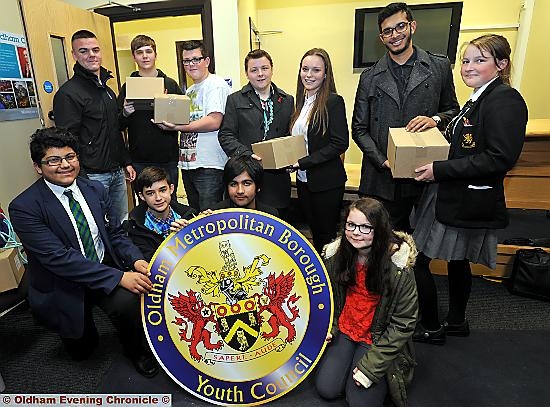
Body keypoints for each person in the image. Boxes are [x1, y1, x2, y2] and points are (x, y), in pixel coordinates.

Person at [8, 127, 158, 378]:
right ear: (38, 167)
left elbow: (115, 234)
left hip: (101, 262)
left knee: (130, 303)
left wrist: (136, 259)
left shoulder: (95, 190)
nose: (64, 165)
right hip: (62, 281)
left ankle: (137, 352)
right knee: (83, 351)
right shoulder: (24, 207)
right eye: (53, 160)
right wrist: (120, 277)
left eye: (70, 157)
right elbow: (59, 259)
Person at [412, 34, 528, 344]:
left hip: (464, 196)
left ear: (501, 65)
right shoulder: (479, 97)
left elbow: (499, 157)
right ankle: (456, 321)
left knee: (417, 260)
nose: (469, 67)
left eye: (480, 60)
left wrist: (440, 169)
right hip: (454, 193)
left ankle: (432, 326)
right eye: (466, 61)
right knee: (458, 260)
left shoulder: (505, 100)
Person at [352, 2, 459, 232]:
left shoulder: (439, 67)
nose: (395, 35)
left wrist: (435, 120)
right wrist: (383, 161)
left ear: (412, 26)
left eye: (400, 26)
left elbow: (453, 112)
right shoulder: (369, 77)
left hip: (425, 175)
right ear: (381, 38)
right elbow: (359, 129)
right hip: (381, 179)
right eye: (387, 31)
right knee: (380, 244)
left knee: (419, 248)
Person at [315, 198, 418, 407]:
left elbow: (403, 323)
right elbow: (328, 300)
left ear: (379, 229)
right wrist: (331, 327)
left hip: (377, 336)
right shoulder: (335, 256)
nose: (356, 232)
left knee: (361, 403)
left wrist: (371, 367)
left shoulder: (399, 266)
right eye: (351, 225)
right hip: (346, 327)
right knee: (327, 388)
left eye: (365, 227)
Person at [53, 30, 134, 227]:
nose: (91, 55)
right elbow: (67, 141)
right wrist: (80, 176)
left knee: (121, 223)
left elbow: (114, 130)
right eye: (84, 51)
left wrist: (126, 162)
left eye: (95, 50)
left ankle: (123, 259)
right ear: (74, 55)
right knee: (100, 226)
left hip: (116, 172)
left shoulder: (107, 89)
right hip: (92, 175)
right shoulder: (68, 94)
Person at [156, 40, 231, 211]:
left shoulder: (215, 85)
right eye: (186, 61)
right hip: (189, 164)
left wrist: (177, 128)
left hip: (209, 165)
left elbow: (214, 121)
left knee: (209, 219)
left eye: (196, 59)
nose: (191, 65)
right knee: (196, 216)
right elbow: (182, 121)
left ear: (207, 61)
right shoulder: (190, 91)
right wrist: (163, 110)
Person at [218, 49, 294, 216]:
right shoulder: (235, 99)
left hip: (276, 179)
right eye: (254, 70)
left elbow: (291, 136)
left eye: (264, 68)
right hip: (244, 178)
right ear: (247, 73)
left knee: (273, 227)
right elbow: (225, 135)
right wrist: (247, 155)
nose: (260, 74)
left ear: (272, 69)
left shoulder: (287, 100)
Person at [290, 48, 348, 253]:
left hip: (326, 182)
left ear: (325, 74)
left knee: (326, 236)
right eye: (305, 69)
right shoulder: (300, 102)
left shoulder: (333, 101)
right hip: (304, 181)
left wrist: (303, 162)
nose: (309, 75)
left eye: (316, 70)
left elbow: (340, 144)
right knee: (314, 233)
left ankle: (330, 281)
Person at [118, 35, 183, 200]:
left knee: (169, 201)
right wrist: (125, 113)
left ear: (155, 54)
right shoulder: (127, 87)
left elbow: (182, 120)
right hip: (139, 158)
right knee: (145, 203)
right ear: (134, 57)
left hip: (167, 157)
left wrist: (164, 105)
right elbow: (117, 125)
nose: (145, 56)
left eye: (149, 51)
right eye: (140, 52)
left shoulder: (170, 84)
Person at [125, 166, 197, 262]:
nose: (158, 198)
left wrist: (206, 221)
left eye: (162, 190)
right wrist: (174, 241)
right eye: (150, 193)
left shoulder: (189, 216)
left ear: (171, 189)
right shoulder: (135, 228)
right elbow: (152, 266)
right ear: (142, 196)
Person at [210, 154, 278, 216]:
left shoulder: (270, 216)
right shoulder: (215, 214)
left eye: (246, 184)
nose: (240, 191)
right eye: (233, 184)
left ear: (258, 186)